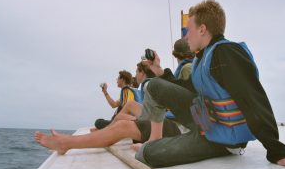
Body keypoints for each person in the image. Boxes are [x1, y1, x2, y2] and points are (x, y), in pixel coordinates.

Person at [133, 0, 285, 168]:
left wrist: (276, 150)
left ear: (202, 29)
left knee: (147, 154)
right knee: (155, 85)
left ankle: (168, 142)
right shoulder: (203, 57)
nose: (186, 36)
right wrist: (158, 71)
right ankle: (167, 137)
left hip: (224, 141)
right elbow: (186, 88)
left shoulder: (226, 53)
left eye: (189, 30)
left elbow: (252, 98)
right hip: (206, 124)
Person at [34, 63, 181, 154]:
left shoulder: (138, 88)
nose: (135, 75)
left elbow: (162, 109)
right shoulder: (142, 87)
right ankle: (107, 130)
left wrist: (132, 120)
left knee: (120, 123)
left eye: (137, 71)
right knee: (126, 110)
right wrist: (105, 92)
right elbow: (117, 105)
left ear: (142, 73)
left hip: (166, 126)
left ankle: (65, 143)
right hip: (160, 120)